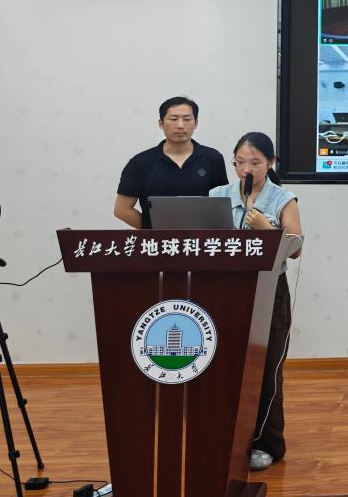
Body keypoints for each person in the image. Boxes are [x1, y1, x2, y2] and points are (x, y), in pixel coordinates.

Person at [210, 132, 303, 472]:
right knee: (225, 365)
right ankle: (227, 438)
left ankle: (267, 443)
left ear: (271, 163)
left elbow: (296, 247)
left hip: (268, 290)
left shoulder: (283, 198)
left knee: (266, 367)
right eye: (240, 163)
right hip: (224, 290)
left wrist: (267, 228)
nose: (246, 169)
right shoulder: (217, 195)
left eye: (255, 163)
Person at [114, 96, 228, 229]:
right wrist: (153, 230)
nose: (180, 125)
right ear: (161, 123)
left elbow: (222, 205)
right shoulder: (140, 163)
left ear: (196, 123)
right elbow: (122, 209)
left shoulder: (213, 158)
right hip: (158, 240)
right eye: (173, 119)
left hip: (202, 239)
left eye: (187, 119)